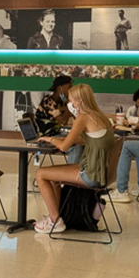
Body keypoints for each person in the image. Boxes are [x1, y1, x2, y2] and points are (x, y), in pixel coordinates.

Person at [33, 84, 114, 233]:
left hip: (90, 173)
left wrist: (50, 139)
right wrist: (67, 140)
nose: (68, 104)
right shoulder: (100, 117)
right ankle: (57, 217)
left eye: (70, 100)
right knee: (53, 177)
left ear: (79, 101)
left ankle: (55, 221)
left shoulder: (83, 117)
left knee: (40, 174)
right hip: (100, 171)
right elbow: (87, 140)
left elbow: (63, 147)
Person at [34, 75, 81, 163]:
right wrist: (69, 105)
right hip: (46, 137)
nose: (72, 90)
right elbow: (63, 121)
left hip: (57, 134)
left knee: (81, 141)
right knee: (76, 147)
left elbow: (75, 117)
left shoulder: (62, 102)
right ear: (60, 88)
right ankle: (71, 173)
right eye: (69, 87)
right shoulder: (48, 101)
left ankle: (80, 171)